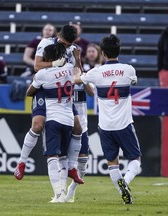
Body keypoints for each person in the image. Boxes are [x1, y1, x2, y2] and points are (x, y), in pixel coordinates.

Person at [75, 34, 142, 204]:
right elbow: (134, 82)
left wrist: (77, 63)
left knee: (112, 162)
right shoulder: (128, 69)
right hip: (124, 123)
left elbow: (77, 79)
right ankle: (125, 182)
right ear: (119, 51)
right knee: (135, 159)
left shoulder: (96, 72)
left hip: (105, 125)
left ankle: (124, 193)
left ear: (102, 53)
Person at [14, 25, 84, 185]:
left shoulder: (73, 49)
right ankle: (21, 162)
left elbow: (77, 73)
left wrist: (78, 60)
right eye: (65, 43)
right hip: (44, 88)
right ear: (59, 35)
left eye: (69, 44)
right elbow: (37, 66)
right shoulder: (45, 43)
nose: (66, 46)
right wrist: (54, 65)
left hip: (62, 92)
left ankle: (72, 168)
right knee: (37, 125)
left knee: (78, 127)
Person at [26, 43, 78, 203]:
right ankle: (62, 193)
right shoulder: (70, 68)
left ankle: (58, 195)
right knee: (63, 157)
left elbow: (29, 92)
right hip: (69, 119)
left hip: (53, 119)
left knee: (52, 157)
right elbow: (78, 72)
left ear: (48, 58)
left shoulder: (43, 74)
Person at [65, 44, 103, 203]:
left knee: (83, 162)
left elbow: (91, 92)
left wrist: (81, 74)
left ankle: (71, 190)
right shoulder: (61, 74)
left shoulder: (83, 75)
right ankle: (59, 191)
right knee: (61, 159)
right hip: (64, 122)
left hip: (82, 124)